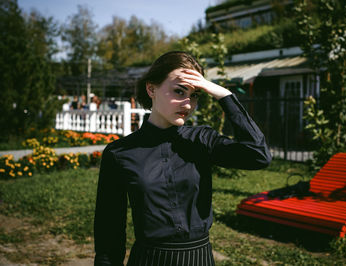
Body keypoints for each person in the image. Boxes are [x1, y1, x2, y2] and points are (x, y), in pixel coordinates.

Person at [94, 51, 271, 266]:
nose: (188, 104)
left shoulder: (202, 141)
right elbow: (109, 230)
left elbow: (258, 155)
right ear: (151, 89)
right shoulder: (120, 153)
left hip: (198, 259)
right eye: (179, 91)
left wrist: (223, 94)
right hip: (148, 259)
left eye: (195, 94)